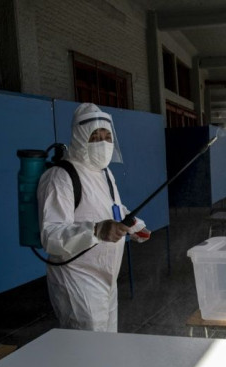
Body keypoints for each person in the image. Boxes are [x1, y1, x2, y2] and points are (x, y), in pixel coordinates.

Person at [37, 102, 149, 332]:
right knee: (87, 351)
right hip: (77, 278)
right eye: (95, 136)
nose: (103, 142)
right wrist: (96, 231)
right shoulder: (60, 176)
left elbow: (113, 209)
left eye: (107, 136)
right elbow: (50, 236)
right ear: (80, 137)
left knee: (107, 347)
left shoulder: (105, 173)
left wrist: (134, 225)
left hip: (108, 278)